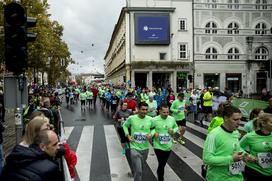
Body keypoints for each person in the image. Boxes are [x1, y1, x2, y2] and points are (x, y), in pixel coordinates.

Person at [203, 105, 254, 181]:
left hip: (237, 177)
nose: (239, 122)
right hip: (219, 178)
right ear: (226, 118)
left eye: (240, 119)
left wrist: (246, 155)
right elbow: (207, 159)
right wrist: (231, 159)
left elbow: (237, 148)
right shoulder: (214, 135)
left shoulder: (235, 132)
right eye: (235, 119)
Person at [122, 102, 154, 181]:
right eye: (142, 109)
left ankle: (135, 173)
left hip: (145, 148)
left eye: (146, 110)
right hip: (134, 147)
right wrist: (128, 135)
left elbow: (154, 128)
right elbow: (125, 125)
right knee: (139, 171)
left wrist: (151, 134)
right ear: (138, 109)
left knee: (141, 169)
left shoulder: (150, 119)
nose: (144, 111)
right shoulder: (132, 118)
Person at [240, 113, 272, 181]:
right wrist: (247, 155)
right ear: (263, 123)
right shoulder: (249, 136)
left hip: (269, 171)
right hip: (254, 169)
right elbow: (238, 148)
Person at [152, 104, 178, 181]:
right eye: (164, 112)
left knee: (163, 163)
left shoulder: (172, 119)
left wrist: (173, 131)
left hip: (168, 145)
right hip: (158, 145)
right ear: (159, 111)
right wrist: (154, 133)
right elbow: (150, 128)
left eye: (167, 112)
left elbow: (176, 127)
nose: (166, 114)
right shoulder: (154, 119)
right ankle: (161, 178)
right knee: (161, 163)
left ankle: (159, 172)